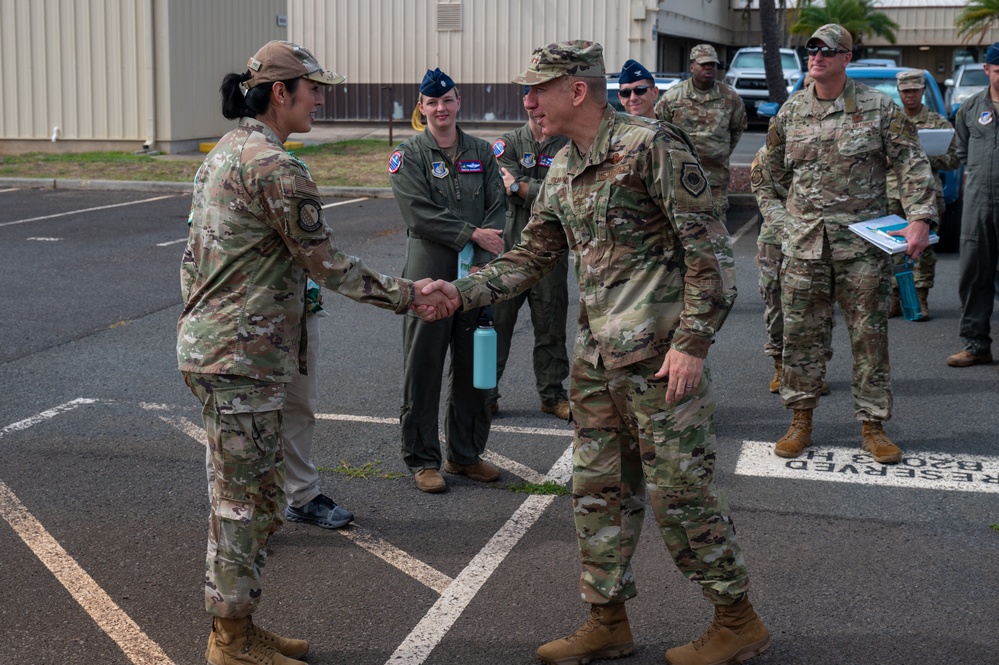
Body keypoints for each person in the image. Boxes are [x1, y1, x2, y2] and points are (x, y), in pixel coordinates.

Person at [431, 40, 769, 665]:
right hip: (597, 363)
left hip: (662, 363)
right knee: (597, 493)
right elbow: (531, 257)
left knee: (681, 495)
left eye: (537, 88)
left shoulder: (651, 147)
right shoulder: (563, 168)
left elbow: (711, 256)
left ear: (577, 89)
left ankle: (736, 618)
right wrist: (458, 291)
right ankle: (607, 619)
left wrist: (693, 344)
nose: (527, 100)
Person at [178, 40, 454, 665]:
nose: (321, 99)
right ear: (282, 93)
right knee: (243, 504)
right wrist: (413, 294)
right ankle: (230, 640)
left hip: (225, 351)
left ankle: (239, 627)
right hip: (241, 359)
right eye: (314, 89)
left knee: (252, 498)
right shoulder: (275, 167)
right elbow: (326, 264)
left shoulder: (226, 152)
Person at [758, 24, 936, 465]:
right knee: (801, 337)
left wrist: (918, 219)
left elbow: (911, 165)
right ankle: (800, 420)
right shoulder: (791, 112)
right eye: (811, 49)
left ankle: (873, 426)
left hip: (862, 247)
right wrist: (784, 224)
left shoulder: (880, 109)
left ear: (846, 57)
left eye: (826, 50)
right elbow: (768, 177)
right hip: (804, 249)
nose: (815, 56)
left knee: (869, 338)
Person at [389, 67, 508, 493]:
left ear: (459, 103)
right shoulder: (409, 154)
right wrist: (471, 233)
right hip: (428, 278)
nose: (441, 108)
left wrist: (480, 255)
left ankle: (465, 454)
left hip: (476, 276)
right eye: (432, 102)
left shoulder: (481, 150)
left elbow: (499, 208)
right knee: (423, 366)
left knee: (475, 366)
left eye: (448, 100)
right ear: (422, 108)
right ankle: (423, 460)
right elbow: (418, 212)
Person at [489, 85, 571, 420]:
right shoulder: (506, 145)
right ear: (524, 101)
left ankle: (552, 395)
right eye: (530, 97)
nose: (536, 107)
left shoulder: (568, 145)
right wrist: (539, 190)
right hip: (510, 251)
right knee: (497, 326)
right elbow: (508, 188)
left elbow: (566, 195)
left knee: (551, 325)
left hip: (551, 253)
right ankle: (485, 394)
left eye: (543, 98)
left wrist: (520, 186)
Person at [886, 69, 960, 321]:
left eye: (915, 91)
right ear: (899, 92)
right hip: (892, 194)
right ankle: (895, 299)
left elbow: (954, 160)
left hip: (926, 196)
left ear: (923, 91)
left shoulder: (938, 123)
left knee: (924, 248)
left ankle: (920, 298)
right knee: (891, 247)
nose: (910, 96)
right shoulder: (890, 122)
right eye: (906, 91)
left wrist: (926, 156)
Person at [947, 42, 999, 368]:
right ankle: (975, 343)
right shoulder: (970, 108)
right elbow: (961, 151)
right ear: (987, 70)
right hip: (979, 200)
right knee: (974, 273)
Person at [655, 44, 747, 220]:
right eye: (703, 64)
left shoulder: (729, 96)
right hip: (680, 176)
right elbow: (660, 128)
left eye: (712, 64)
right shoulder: (674, 96)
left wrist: (721, 151)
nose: (709, 68)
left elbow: (737, 128)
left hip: (715, 177)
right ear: (692, 67)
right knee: (684, 226)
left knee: (716, 227)